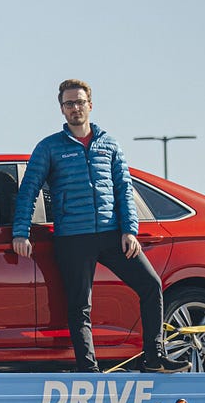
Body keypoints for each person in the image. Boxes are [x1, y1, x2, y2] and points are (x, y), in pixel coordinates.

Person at [11, 79, 187, 374]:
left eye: (79, 102)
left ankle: (154, 357)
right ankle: (88, 369)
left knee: (151, 285)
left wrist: (130, 231)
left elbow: (124, 189)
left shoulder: (109, 144)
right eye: (69, 104)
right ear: (62, 110)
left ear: (90, 105)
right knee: (80, 305)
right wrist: (21, 231)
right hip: (73, 238)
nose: (75, 108)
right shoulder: (50, 148)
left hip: (111, 234)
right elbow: (29, 190)